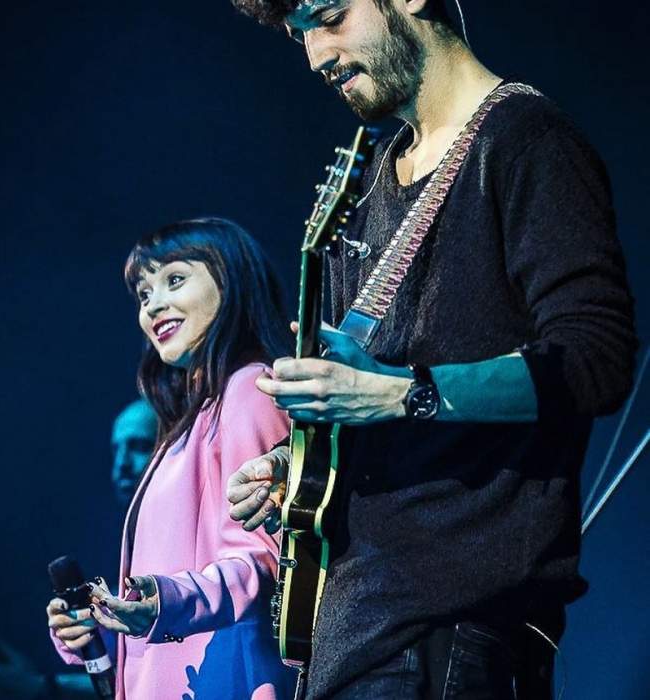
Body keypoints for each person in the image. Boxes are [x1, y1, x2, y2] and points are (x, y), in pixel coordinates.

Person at [226, 2, 638, 699]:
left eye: (329, 15)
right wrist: (295, 468)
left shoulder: (526, 139)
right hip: (352, 630)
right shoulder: (374, 176)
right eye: (299, 34)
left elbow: (597, 357)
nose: (315, 56)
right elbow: (366, 397)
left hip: (452, 628)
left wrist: (401, 393)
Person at [47, 218, 296, 699]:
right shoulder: (190, 421)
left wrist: (164, 601)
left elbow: (264, 560)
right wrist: (104, 620)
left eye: (174, 280)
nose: (153, 305)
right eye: (144, 294)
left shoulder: (249, 390)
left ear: (233, 281)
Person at [0, 399, 157, 698]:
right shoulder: (129, 554)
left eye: (139, 446)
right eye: (116, 450)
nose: (121, 464)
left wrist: (44, 687)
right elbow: (122, 679)